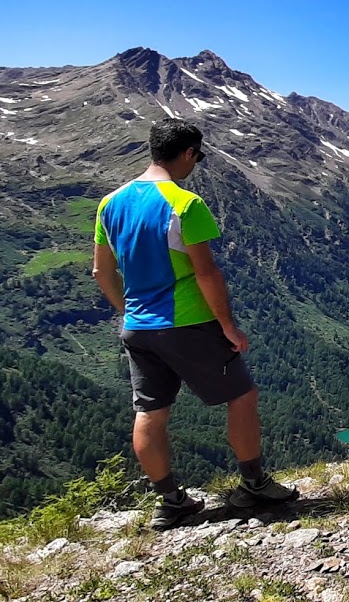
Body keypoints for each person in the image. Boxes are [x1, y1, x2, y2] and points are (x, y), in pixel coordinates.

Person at [91, 119, 296, 529]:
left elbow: (100, 271)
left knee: (150, 412)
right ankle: (253, 484)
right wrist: (229, 326)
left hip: (138, 326)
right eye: (198, 156)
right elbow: (206, 274)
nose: (197, 164)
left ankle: (170, 502)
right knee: (242, 396)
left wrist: (126, 311)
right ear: (187, 153)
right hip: (188, 322)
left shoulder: (110, 203)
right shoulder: (185, 204)